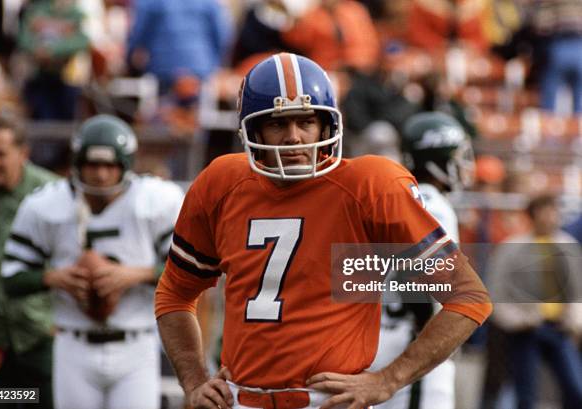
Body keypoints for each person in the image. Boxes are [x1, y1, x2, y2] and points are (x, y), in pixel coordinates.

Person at [155, 52, 492, 409]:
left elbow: (469, 297)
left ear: (327, 125)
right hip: (240, 399)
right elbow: (175, 293)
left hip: (328, 401)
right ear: (252, 130)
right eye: (277, 124)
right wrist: (193, 381)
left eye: (306, 122)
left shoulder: (370, 186)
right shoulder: (221, 183)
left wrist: (387, 380)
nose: (294, 138)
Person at [0, 114, 185, 409]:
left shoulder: (155, 201)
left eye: (109, 165)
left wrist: (136, 274)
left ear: (125, 164)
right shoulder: (47, 205)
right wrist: (53, 278)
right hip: (73, 344)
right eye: (92, 164)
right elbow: (11, 278)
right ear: (77, 164)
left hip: (135, 344)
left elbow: (190, 272)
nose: (100, 175)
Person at [370, 112, 474, 409]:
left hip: (384, 337)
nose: (464, 164)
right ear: (436, 157)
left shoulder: (403, 196)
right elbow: (416, 272)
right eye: (457, 155)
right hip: (410, 344)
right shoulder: (434, 205)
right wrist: (429, 328)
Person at [0, 114, 58, 408]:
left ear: (23, 153)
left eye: (0, 154)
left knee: (46, 403)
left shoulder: (52, 194)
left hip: (42, 339)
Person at [486, 194, 582, 409]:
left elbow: (577, 291)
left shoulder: (568, 246)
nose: (549, 217)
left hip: (559, 328)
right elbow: (496, 292)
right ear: (532, 214)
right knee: (525, 393)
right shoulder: (511, 248)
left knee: (575, 387)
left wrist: (575, 320)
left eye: (553, 211)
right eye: (544, 211)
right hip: (526, 330)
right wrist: (516, 320)